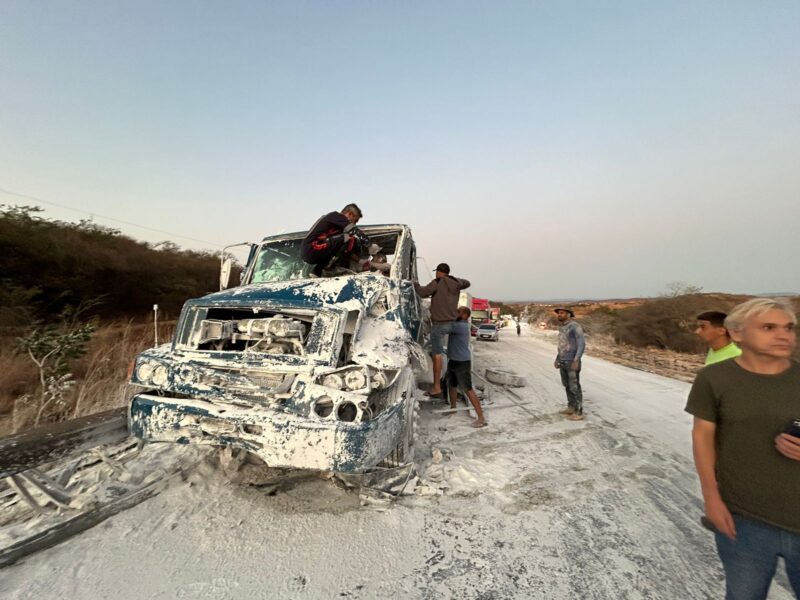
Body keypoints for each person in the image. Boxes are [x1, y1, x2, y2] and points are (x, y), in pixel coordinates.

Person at [685, 298, 800, 599]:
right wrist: (711, 498)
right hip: (744, 519)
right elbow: (703, 437)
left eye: (789, 327)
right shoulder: (713, 378)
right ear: (736, 334)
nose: (784, 335)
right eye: (768, 327)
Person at [414, 263, 471, 398]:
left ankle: (436, 387)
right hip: (452, 324)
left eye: (437, 272)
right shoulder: (456, 283)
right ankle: (454, 378)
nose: (435, 274)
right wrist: (455, 280)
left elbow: (422, 293)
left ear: (439, 272)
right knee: (452, 350)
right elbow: (467, 283)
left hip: (439, 325)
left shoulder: (437, 282)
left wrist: (415, 284)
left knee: (437, 355)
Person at [445, 306, 487, 428]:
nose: (455, 313)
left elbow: (444, 328)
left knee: (468, 389)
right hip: (453, 359)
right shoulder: (457, 324)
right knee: (452, 385)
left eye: (458, 312)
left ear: (465, 315)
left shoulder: (460, 326)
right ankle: (453, 410)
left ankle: (481, 418)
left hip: (462, 362)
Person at [300, 204, 363, 277]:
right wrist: (370, 245)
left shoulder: (335, 227)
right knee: (349, 238)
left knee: (343, 239)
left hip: (309, 251)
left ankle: (317, 271)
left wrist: (359, 260)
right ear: (349, 214)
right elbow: (354, 231)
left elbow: (338, 250)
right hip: (311, 248)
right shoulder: (335, 216)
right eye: (355, 221)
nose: (354, 224)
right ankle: (330, 268)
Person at [553, 307, 586, 421]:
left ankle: (579, 411)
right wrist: (557, 359)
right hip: (563, 361)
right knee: (567, 385)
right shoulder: (562, 327)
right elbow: (562, 345)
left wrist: (576, 360)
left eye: (562, 313)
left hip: (572, 361)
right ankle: (571, 407)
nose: (559, 315)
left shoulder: (575, 326)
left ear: (569, 314)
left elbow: (581, 344)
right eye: (558, 313)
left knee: (574, 386)